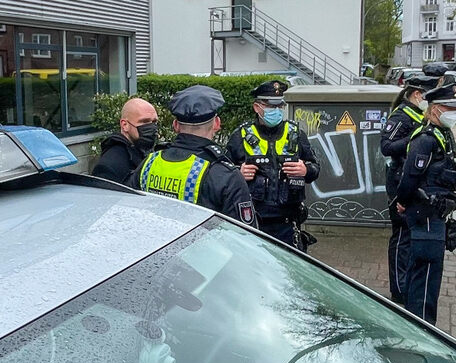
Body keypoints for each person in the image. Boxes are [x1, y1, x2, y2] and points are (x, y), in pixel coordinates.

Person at [126, 85, 256, 226]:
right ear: (217, 124)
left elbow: (131, 213)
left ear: (175, 125)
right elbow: (244, 237)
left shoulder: (149, 163)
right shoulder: (225, 174)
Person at [396, 84, 456, 324]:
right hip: (424, 214)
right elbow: (409, 177)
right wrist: (402, 202)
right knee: (425, 273)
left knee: (429, 272)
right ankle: (422, 326)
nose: (454, 112)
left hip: (436, 215)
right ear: (434, 109)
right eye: (449, 107)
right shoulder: (424, 140)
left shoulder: (441, 135)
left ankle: (421, 321)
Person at [227, 80, 320, 251]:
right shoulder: (240, 135)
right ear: (257, 107)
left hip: (288, 224)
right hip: (252, 223)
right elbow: (222, 175)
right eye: (271, 106)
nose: (276, 111)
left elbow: (315, 168)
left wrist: (306, 169)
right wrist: (237, 173)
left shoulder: (295, 133)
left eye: (280, 106)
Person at [382, 75, 438, 303]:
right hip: (399, 182)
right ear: (417, 95)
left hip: (414, 183)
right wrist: (415, 140)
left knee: (410, 238)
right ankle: (399, 290)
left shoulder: (419, 115)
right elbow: (386, 146)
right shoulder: (401, 116)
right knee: (402, 239)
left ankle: (407, 284)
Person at [92, 98, 159, 184]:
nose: (152, 127)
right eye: (144, 122)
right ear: (125, 125)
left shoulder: (144, 152)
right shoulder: (109, 165)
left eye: (154, 122)